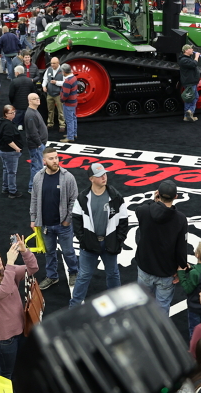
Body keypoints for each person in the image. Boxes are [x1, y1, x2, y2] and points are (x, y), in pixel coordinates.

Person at [0, 235, 38, 379]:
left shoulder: (7, 272)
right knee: (7, 373)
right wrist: (10, 262)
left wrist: (25, 251)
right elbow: (5, 289)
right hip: (4, 339)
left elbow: (33, 268)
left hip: (22, 329)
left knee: (23, 365)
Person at [70, 163, 129, 306]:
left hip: (110, 243)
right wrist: (83, 240)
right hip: (89, 244)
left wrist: (118, 240)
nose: (104, 177)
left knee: (113, 274)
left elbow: (123, 221)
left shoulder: (116, 197)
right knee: (83, 276)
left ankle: (118, 304)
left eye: (104, 174)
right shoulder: (83, 198)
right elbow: (76, 221)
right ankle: (74, 306)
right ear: (91, 179)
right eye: (99, 175)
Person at [135, 180, 189, 315]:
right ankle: (160, 333)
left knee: (141, 304)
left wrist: (154, 202)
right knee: (163, 306)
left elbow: (140, 209)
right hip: (166, 272)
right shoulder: (180, 219)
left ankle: (141, 332)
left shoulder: (144, 211)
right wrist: (182, 267)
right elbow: (181, 248)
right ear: (176, 197)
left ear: (157, 194)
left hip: (145, 268)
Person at [30, 147, 79, 289]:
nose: (55, 160)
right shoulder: (38, 177)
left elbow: (74, 201)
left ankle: (74, 272)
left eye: (56, 157)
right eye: (51, 158)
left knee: (68, 252)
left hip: (63, 225)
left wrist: (67, 220)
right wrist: (33, 218)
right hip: (45, 225)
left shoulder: (68, 177)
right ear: (44, 161)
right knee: (49, 253)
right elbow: (34, 199)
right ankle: (52, 276)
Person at [0, 105, 23, 199]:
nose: (14, 114)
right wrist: (17, 149)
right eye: (12, 113)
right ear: (6, 114)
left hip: (2, 150)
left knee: (6, 169)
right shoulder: (8, 125)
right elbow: (8, 140)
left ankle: (5, 187)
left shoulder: (3, 122)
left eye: (14, 112)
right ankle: (12, 191)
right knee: (11, 172)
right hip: (9, 152)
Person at [24, 93, 47, 194]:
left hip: (38, 145)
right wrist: (39, 144)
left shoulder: (33, 111)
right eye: (35, 99)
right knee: (37, 167)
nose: (38, 100)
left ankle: (32, 187)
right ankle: (33, 188)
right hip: (36, 146)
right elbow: (32, 132)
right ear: (30, 101)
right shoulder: (30, 114)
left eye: (38, 98)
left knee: (36, 166)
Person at [42, 57, 66, 131]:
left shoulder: (62, 71)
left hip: (58, 94)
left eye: (54, 63)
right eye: (51, 63)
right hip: (49, 94)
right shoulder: (48, 70)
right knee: (50, 110)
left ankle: (62, 125)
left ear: (58, 63)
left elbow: (65, 82)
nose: (52, 65)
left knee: (60, 110)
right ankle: (50, 123)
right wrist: (43, 86)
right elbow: (45, 79)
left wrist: (56, 82)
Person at [179, 44, 201, 122]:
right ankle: (189, 112)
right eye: (190, 49)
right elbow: (194, 64)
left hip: (191, 82)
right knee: (191, 98)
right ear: (186, 51)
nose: (192, 50)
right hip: (189, 82)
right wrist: (196, 57)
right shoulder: (183, 60)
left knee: (192, 97)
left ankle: (187, 115)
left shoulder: (187, 59)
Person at [58, 63, 79, 143]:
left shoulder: (67, 81)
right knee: (73, 118)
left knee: (69, 120)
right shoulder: (74, 78)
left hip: (68, 103)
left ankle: (70, 137)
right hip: (74, 102)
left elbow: (66, 94)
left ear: (64, 72)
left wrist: (62, 100)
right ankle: (73, 133)